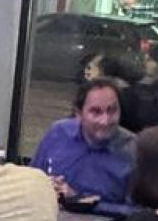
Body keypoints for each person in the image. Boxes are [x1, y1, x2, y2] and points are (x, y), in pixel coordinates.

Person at [31, 78, 138, 212]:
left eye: (112, 110)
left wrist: (81, 201)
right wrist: (45, 186)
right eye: (96, 112)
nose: (105, 121)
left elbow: (138, 212)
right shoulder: (58, 132)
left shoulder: (135, 151)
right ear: (79, 114)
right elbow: (31, 179)